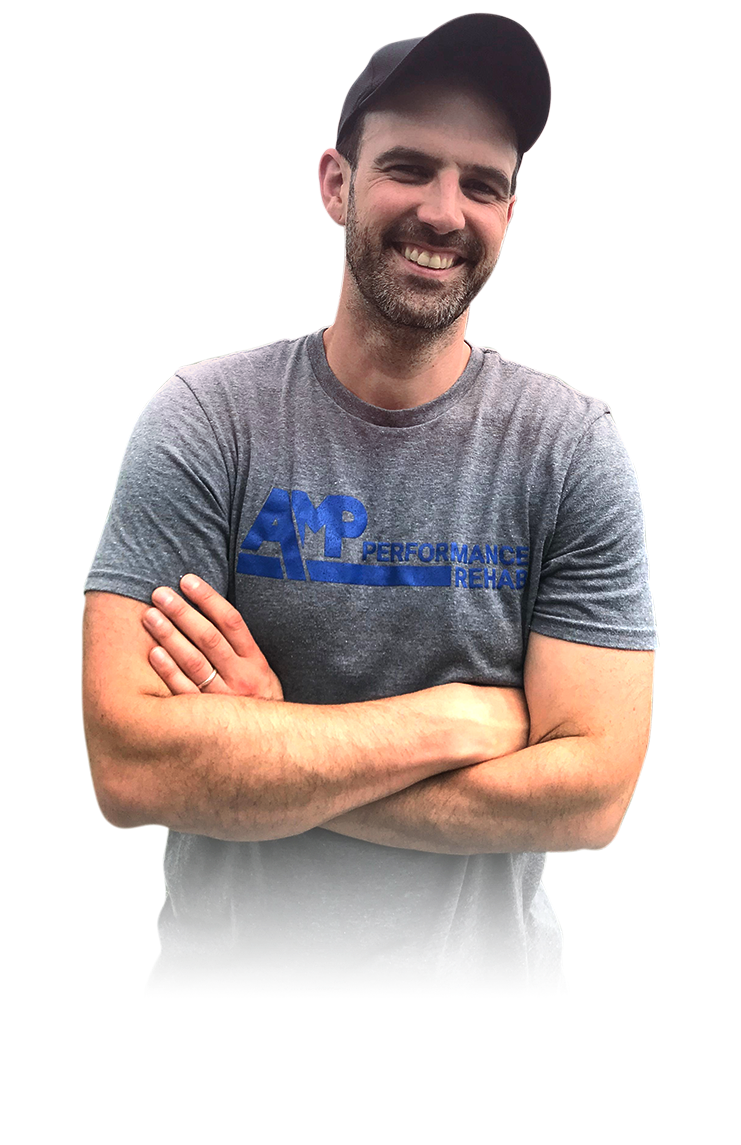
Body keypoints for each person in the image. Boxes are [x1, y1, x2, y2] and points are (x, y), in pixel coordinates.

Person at [81, 14, 658, 997]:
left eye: (482, 184)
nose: (443, 210)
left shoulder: (568, 448)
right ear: (335, 182)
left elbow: (592, 797)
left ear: (510, 213)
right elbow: (131, 770)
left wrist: (273, 749)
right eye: (409, 168)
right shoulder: (205, 422)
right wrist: (448, 721)